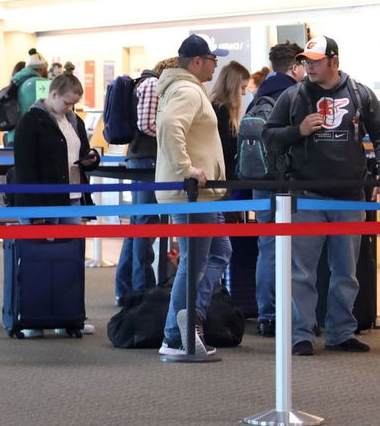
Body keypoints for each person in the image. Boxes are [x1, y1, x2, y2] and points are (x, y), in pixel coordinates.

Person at [262, 35, 380, 355]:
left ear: (334, 61)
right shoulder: (292, 96)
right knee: (301, 272)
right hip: (306, 195)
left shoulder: (361, 94)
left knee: (346, 272)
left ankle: (340, 332)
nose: (309, 66)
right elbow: (269, 137)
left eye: (316, 61)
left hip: (349, 196)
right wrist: (299, 130)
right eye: (305, 61)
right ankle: (300, 334)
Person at [155, 34, 232, 358]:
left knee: (218, 252)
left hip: (201, 195)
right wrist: (187, 168)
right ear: (198, 61)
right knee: (195, 261)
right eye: (213, 59)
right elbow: (171, 125)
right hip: (191, 195)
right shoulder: (187, 90)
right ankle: (176, 334)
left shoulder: (186, 89)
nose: (216, 64)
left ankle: (189, 321)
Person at [247, 42, 305, 337]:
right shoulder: (292, 94)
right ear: (295, 66)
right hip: (285, 180)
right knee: (294, 252)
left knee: (267, 249)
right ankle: (289, 314)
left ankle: (267, 315)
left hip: (259, 179)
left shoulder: (260, 93)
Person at [113, 57, 176, 304]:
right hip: (147, 160)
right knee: (145, 225)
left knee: (138, 225)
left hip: (143, 159)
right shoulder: (152, 84)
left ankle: (126, 287)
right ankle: (142, 286)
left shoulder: (147, 82)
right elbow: (147, 124)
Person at [11, 72, 99, 225]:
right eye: (67, 103)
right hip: (45, 201)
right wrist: (36, 211)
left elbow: (82, 151)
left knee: (71, 247)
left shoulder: (75, 121)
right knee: (43, 248)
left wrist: (91, 158)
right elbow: (25, 169)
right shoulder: (30, 122)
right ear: (53, 95)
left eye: (74, 104)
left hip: (74, 197)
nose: (70, 108)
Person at [209, 60, 251, 183]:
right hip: (224, 176)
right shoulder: (222, 110)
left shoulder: (216, 106)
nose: (244, 93)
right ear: (232, 86)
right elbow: (224, 148)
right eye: (242, 88)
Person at [5, 49, 50, 143]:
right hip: (31, 137)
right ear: (42, 69)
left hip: (13, 136)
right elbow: (51, 111)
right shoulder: (41, 83)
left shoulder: (17, 81)